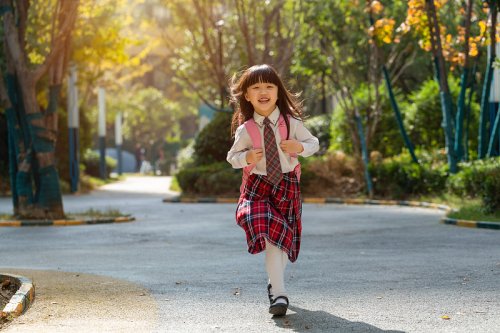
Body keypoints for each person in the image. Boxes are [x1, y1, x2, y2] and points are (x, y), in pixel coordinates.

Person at [227, 64, 319, 316]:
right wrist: (245, 157)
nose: (263, 91)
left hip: (287, 185)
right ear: (247, 95)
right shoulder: (246, 129)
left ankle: (274, 284)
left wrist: (299, 148)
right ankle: (279, 294)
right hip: (257, 187)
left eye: (269, 86)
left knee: (280, 240)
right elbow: (231, 157)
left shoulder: (291, 123)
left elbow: (314, 143)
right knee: (270, 236)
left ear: (278, 91)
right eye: (255, 87)